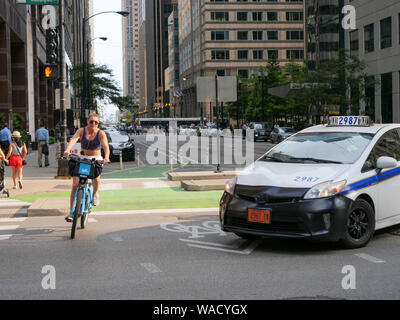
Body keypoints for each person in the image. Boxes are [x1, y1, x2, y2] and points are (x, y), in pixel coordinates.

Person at [63, 113, 110, 222]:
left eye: (96, 122)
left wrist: (106, 157)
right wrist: (67, 150)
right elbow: (73, 139)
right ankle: (71, 212)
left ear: (98, 124)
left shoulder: (100, 133)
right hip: (83, 157)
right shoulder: (81, 131)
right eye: (91, 121)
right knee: (75, 185)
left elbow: (105, 146)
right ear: (87, 122)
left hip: (96, 158)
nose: (93, 124)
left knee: (96, 179)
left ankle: (95, 193)